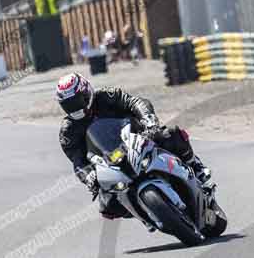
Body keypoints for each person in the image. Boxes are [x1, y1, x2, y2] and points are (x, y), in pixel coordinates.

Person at [56, 72, 210, 219]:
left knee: (170, 135)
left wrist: (148, 120)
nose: (74, 108)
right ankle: (147, 212)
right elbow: (78, 162)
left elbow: (134, 102)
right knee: (108, 207)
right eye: (68, 105)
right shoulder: (68, 131)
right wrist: (89, 176)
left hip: (137, 137)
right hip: (109, 162)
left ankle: (197, 168)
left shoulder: (106, 95)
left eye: (76, 101)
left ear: (86, 91)